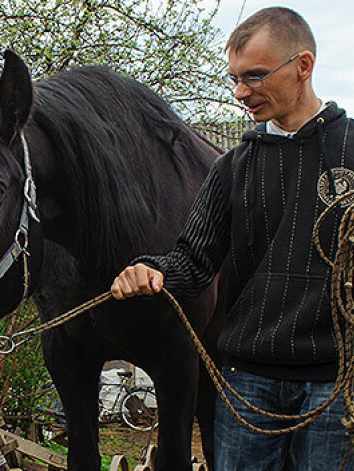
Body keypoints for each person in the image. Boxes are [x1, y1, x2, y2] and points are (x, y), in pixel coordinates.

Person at [111, 7, 354, 471]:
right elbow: (192, 263)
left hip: (335, 384)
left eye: (256, 76)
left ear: (304, 66)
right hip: (248, 382)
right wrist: (152, 270)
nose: (242, 92)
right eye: (236, 79)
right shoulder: (233, 168)